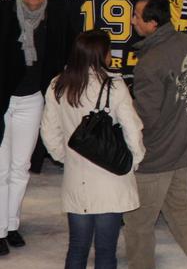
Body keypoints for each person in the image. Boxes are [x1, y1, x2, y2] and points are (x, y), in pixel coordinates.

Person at [123, 0, 187, 269]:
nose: (133, 21)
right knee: (181, 213)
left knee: (138, 223)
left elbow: (147, 118)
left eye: (137, 17)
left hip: (156, 156)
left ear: (152, 23)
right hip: (185, 146)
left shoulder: (150, 62)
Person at [40, 30, 145, 269]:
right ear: (101, 54)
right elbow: (132, 129)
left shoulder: (58, 85)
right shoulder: (114, 86)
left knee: (77, 247)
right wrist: (134, 160)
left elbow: (48, 132)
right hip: (111, 178)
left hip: (76, 178)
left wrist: (65, 157)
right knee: (106, 252)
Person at [0, 0, 67, 254]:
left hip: (32, 100)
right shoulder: (4, 12)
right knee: (1, 169)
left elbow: (61, 55)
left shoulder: (55, 16)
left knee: (21, 167)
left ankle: (11, 223)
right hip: (4, 101)